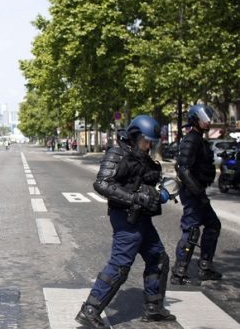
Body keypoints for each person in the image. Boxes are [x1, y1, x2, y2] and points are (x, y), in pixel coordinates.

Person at [75, 115, 174, 329]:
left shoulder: (143, 157)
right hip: (126, 218)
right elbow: (102, 183)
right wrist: (134, 198)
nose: (148, 146)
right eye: (145, 141)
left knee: (158, 258)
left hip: (143, 218)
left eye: (151, 142)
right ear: (135, 135)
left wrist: (163, 190)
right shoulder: (118, 153)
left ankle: (153, 308)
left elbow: (146, 180)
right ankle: (90, 310)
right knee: (120, 265)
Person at [171, 104, 221, 285]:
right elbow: (182, 169)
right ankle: (179, 271)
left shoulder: (198, 139)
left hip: (197, 192)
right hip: (193, 193)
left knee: (213, 225)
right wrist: (198, 192)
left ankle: (205, 267)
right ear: (195, 120)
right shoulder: (191, 139)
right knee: (191, 230)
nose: (208, 121)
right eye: (203, 118)